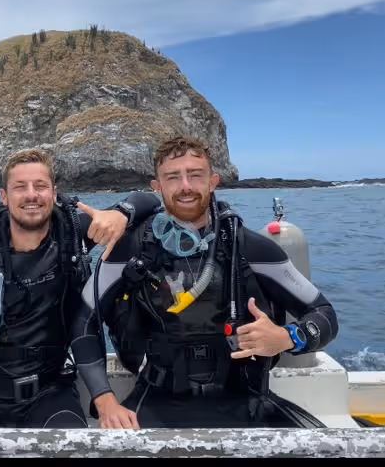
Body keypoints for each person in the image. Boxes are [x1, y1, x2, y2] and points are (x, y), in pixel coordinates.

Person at [71, 137, 339, 430]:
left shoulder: (250, 248)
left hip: (245, 400)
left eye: (195, 174)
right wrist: (104, 399)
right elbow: (84, 320)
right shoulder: (131, 249)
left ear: (212, 181)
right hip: (158, 398)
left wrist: (288, 337)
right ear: (157, 187)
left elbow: (324, 314)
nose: (185, 185)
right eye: (173, 177)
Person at [0, 148, 160, 430]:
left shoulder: (73, 235)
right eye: (20, 187)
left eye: (40, 186)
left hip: (52, 392)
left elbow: (149, 200)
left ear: (54, 193)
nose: (31, 195)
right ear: (4, 196)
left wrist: (120, 214)